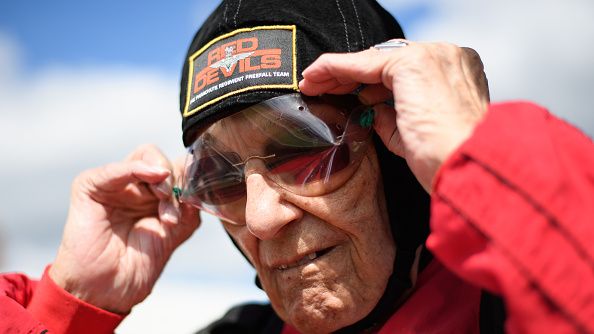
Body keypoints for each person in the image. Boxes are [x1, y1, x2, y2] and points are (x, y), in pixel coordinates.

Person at [1, 0, 593, 333]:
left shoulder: (516, 307)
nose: (260, 219)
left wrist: (476, 147)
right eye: (221, 177)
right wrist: (74, 301)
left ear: (399, 143)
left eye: (302, 149)